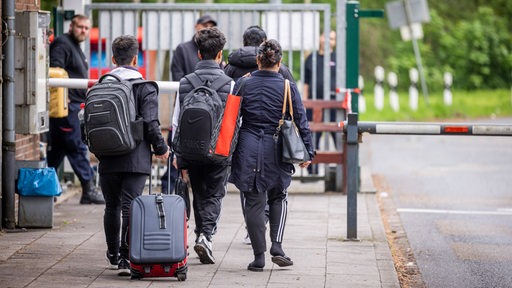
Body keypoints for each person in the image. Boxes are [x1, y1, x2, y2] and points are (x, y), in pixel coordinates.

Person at [229, 39, 314, 272]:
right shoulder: (288, 86)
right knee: (278, 196)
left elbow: (229, 120)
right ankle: (277, 245)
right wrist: (309, 150)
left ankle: (259, 257)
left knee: (253, 202)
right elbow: (301, 120)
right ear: (280, 61)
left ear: (258, 60)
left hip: (247, 146)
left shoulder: (242, 84)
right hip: (276, 148)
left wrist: (224, 152)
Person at [99, 35, 170, 276]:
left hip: (107, 155)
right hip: (135, 157)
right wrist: (161, 147)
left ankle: (112, 254)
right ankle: (126, 257)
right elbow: (151, 123)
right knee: (130, 204)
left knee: (112, 205)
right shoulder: (144, 87)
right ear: (136, 58)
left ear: (112, 59)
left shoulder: (103, 84)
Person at [224, 25, 295, 246]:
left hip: (246, 139)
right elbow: (295, 109)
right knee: (276, 191)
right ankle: (275, 243)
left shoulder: (231, 68)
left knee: (251, 190)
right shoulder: (282, 75)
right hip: (275, 140)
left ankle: (254, 237)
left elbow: (229, 110)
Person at [171, 27, 233, 265]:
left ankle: (199, 234)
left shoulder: (185, 82)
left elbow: (176, 121)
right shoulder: (231, 84)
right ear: (220, 55)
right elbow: (233, 121)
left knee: (198, 192)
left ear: (198, 54)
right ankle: (206, 236)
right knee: (215, 194)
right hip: (218, 149)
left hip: (191, 148)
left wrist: (178, 152)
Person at [48, 14, 105, 205]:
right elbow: (54, 74)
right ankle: (88, 189)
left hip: (72, 107)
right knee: (76, 147)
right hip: (66, 109)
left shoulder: (75, 47)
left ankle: (44, 188)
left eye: (86, 28)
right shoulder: (62, 44)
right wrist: (67, 99)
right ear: (72, 25)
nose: (83, 31)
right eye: (80, 27)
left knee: (57, 151)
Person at [162, 14, 217, 194]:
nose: (206, 28)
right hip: (185, 108)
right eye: (204, 25)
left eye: (211, 26)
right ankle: (168, 192)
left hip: (208, 113)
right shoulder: (182, 49)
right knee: (176, 150)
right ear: (196, 26)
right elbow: (178, 78)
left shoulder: (215, 51)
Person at [303, 31, 337, 174]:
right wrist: (305, 102)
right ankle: (312, 171)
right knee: (312, 137)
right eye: (326, 36)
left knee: (339, 138)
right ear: (320, 38)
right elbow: (306, 83)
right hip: (314, 104)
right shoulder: (311, 58)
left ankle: (343, 171)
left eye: (332, 38)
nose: (329, 40)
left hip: (335, 105)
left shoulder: (338, 59)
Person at [224, 25, 294, 82]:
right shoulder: (277, 66)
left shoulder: (230, 68)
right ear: (265, 43)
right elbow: (292, 95)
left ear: (243, 43)